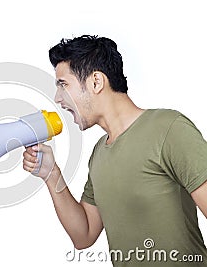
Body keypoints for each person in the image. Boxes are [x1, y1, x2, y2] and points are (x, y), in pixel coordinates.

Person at [23, 35, 207, 266]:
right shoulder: (99, 152)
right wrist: (51, 174)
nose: (58, 98)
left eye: (63, 85)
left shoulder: (169, 128)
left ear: (96, 82)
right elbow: (84, 235)